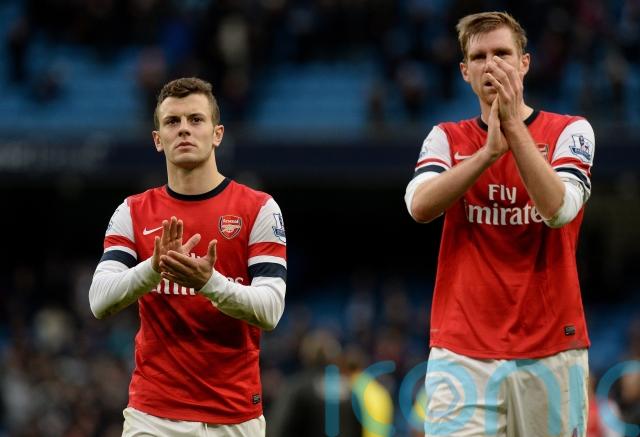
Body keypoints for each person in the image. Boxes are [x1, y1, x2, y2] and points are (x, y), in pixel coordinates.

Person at [404, 12, 594, 436]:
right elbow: (419, 206)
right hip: (461, 352)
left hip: (551, 348)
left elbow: (558, 209)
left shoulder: (570, 131)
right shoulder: (445, 137)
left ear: (524, 63)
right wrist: (487, 154)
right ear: (464, 72)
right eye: (479, 57)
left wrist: (511, 127)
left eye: (502, 54)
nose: (491, 65)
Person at [89, 77, 287, 436]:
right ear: (157, 139)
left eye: (196, 119)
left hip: (234, 415)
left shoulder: (258, 208)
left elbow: (271, 310)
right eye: (172, 122)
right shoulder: (132, 211)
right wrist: (153, 269)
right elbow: (99, 301)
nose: (184, 129)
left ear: (217, 134)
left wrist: (208, 282)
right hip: (153, 416)